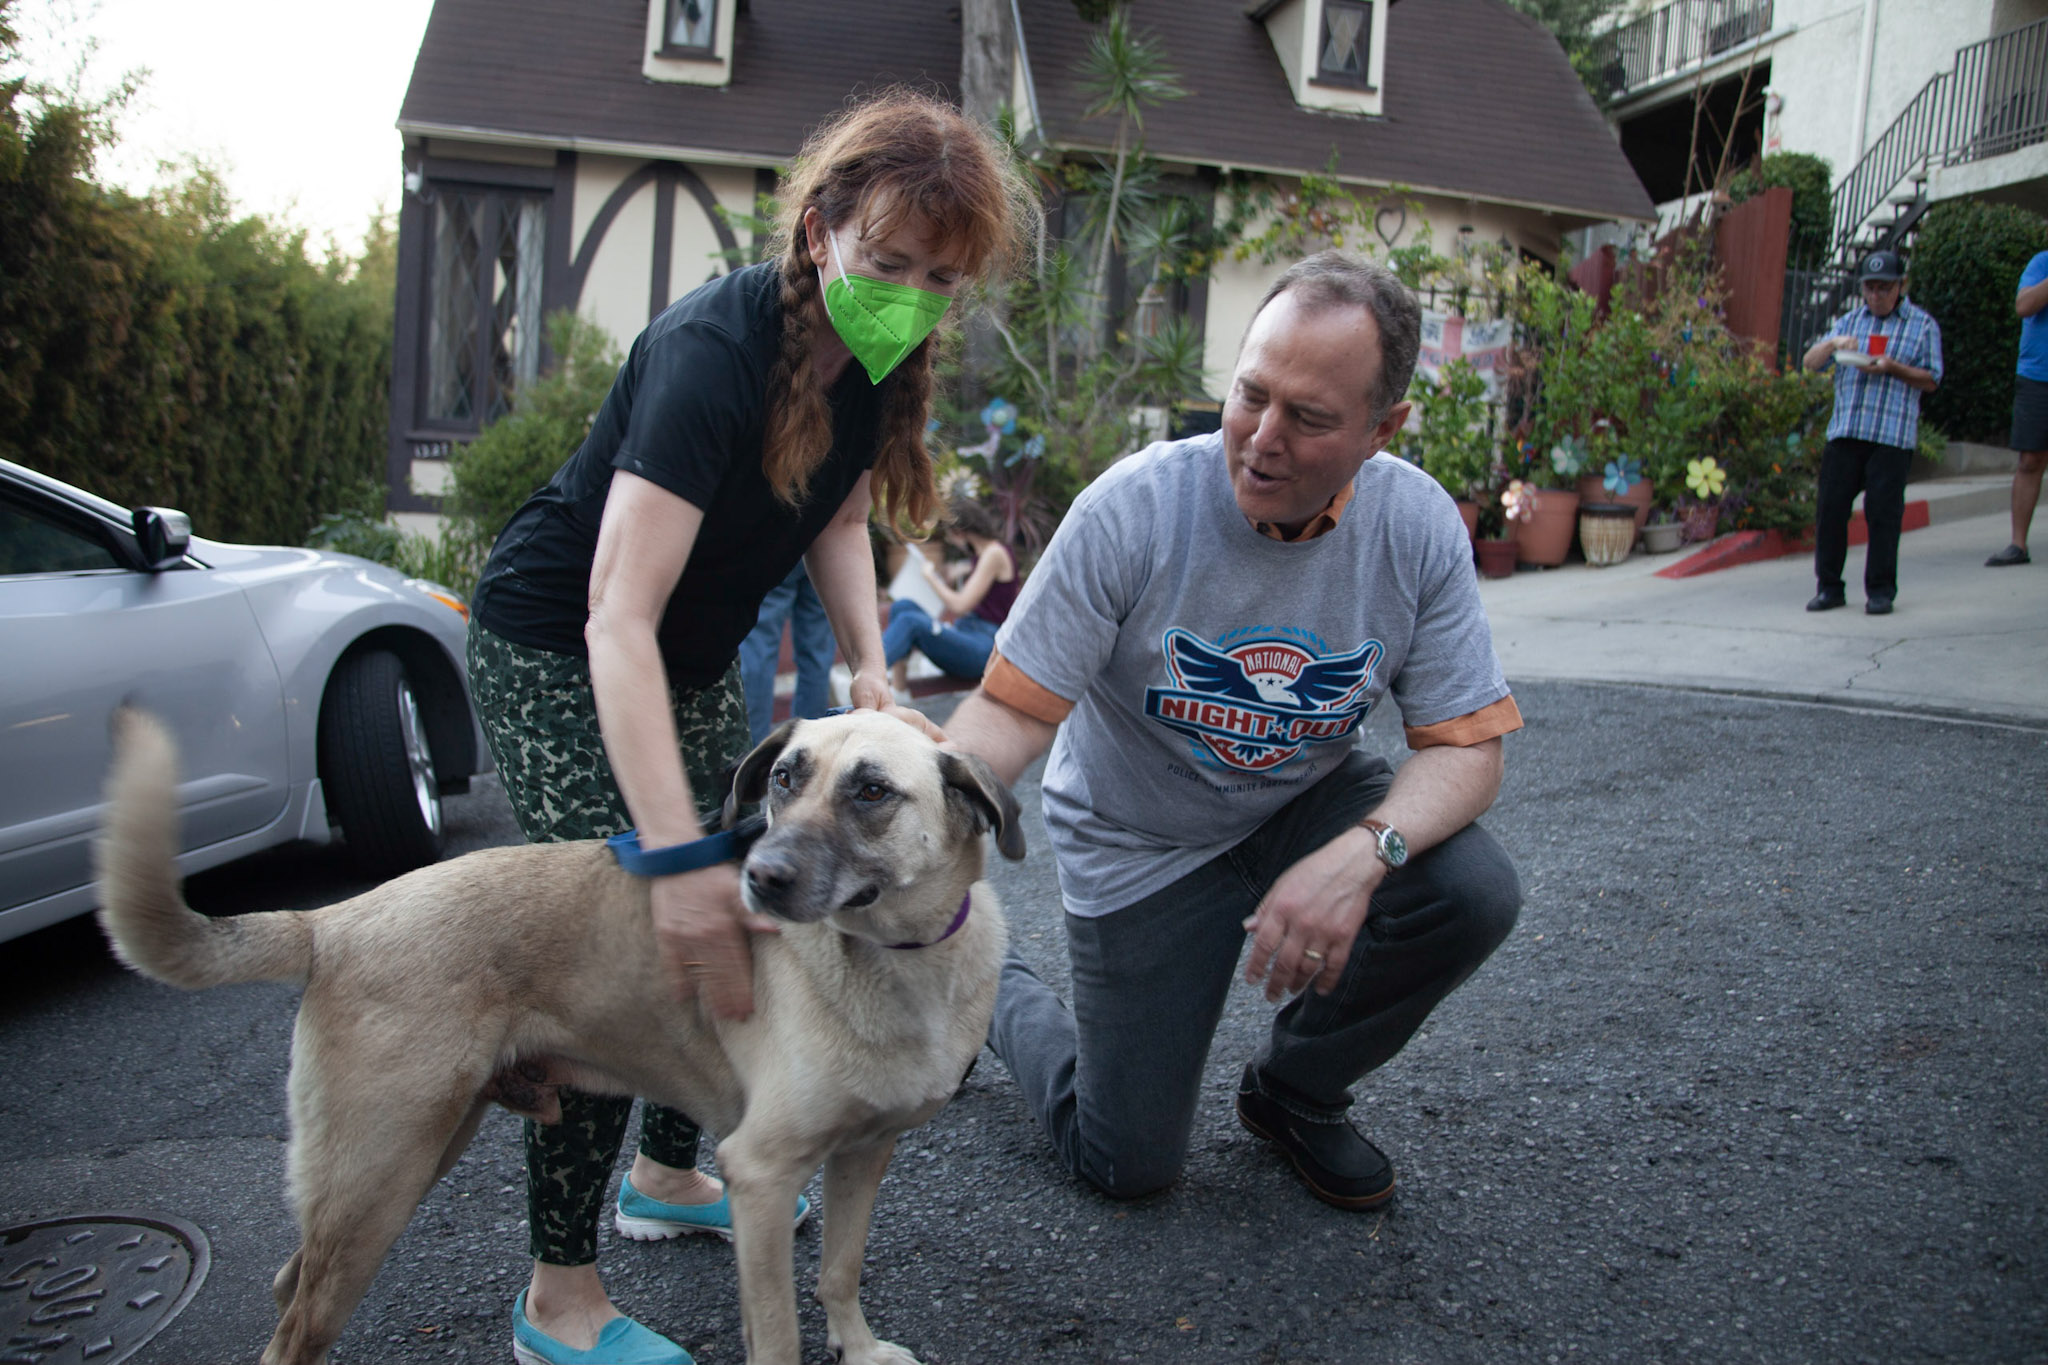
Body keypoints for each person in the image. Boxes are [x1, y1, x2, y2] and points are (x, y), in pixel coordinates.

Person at [463, 91, 1025, 1365]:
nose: (908, 292)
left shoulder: (875, 362)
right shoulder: (714, 353)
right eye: (886, 263)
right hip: (563, 645)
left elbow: (830, 518)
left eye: (938, 277)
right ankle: (560, 1299)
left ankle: (676, 1177)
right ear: (819, 228)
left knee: (736, 905)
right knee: (621, 945)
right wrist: (666, 862)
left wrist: (875, 667)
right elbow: (615, 615)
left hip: (694, 654)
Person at [937, 251, 1524, 1210]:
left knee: (1472, 888)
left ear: (1384, 428)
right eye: (1250, 395)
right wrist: (909, 804)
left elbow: (1466, 747)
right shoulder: (1134, 510)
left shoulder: (1416, 526)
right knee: (1126, 1164)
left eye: (1311, 418)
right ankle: (993, 985)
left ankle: (1296, 1090)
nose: (1260, 439)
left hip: (1303, 806)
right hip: (1140, 838)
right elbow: (1010, 709)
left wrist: (1362, 855)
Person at [1799, 249, 1944, 615]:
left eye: (1884, 288)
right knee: (1830, 510)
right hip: (1847, 430)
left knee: (1883, 514)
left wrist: (1893, 367)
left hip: (1891, 435)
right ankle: (1829, 587)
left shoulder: (1922, 325)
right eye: (1870, 288)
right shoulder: (1848, 322)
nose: (1876, 296)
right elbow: (1810, 363)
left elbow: (1931, 379)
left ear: (1901, 286)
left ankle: (1880, 590)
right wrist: (1833, 344)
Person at [882, 493, 1018, 691]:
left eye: (950, 535)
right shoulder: (982, 556)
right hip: (968, 634)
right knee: (902, 606)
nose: (950, 540)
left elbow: (959, 606)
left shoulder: (993, 553)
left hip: (984, 648)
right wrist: (959, 571)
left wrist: (931, 578)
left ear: (959, 531)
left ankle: (868, 676)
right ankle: (899, 688)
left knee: (910, 621)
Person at [1986, 248, 2048, 567]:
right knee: (2030, 460)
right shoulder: (2042, 263)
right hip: (2039, 375)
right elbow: (2024, 306)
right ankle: (2018, 545)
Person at [738, 560, 836, 743]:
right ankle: (809, 746)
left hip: (775, 542)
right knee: (817, 654)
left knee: (759, 647)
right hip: (825, 538)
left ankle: (751, 748)